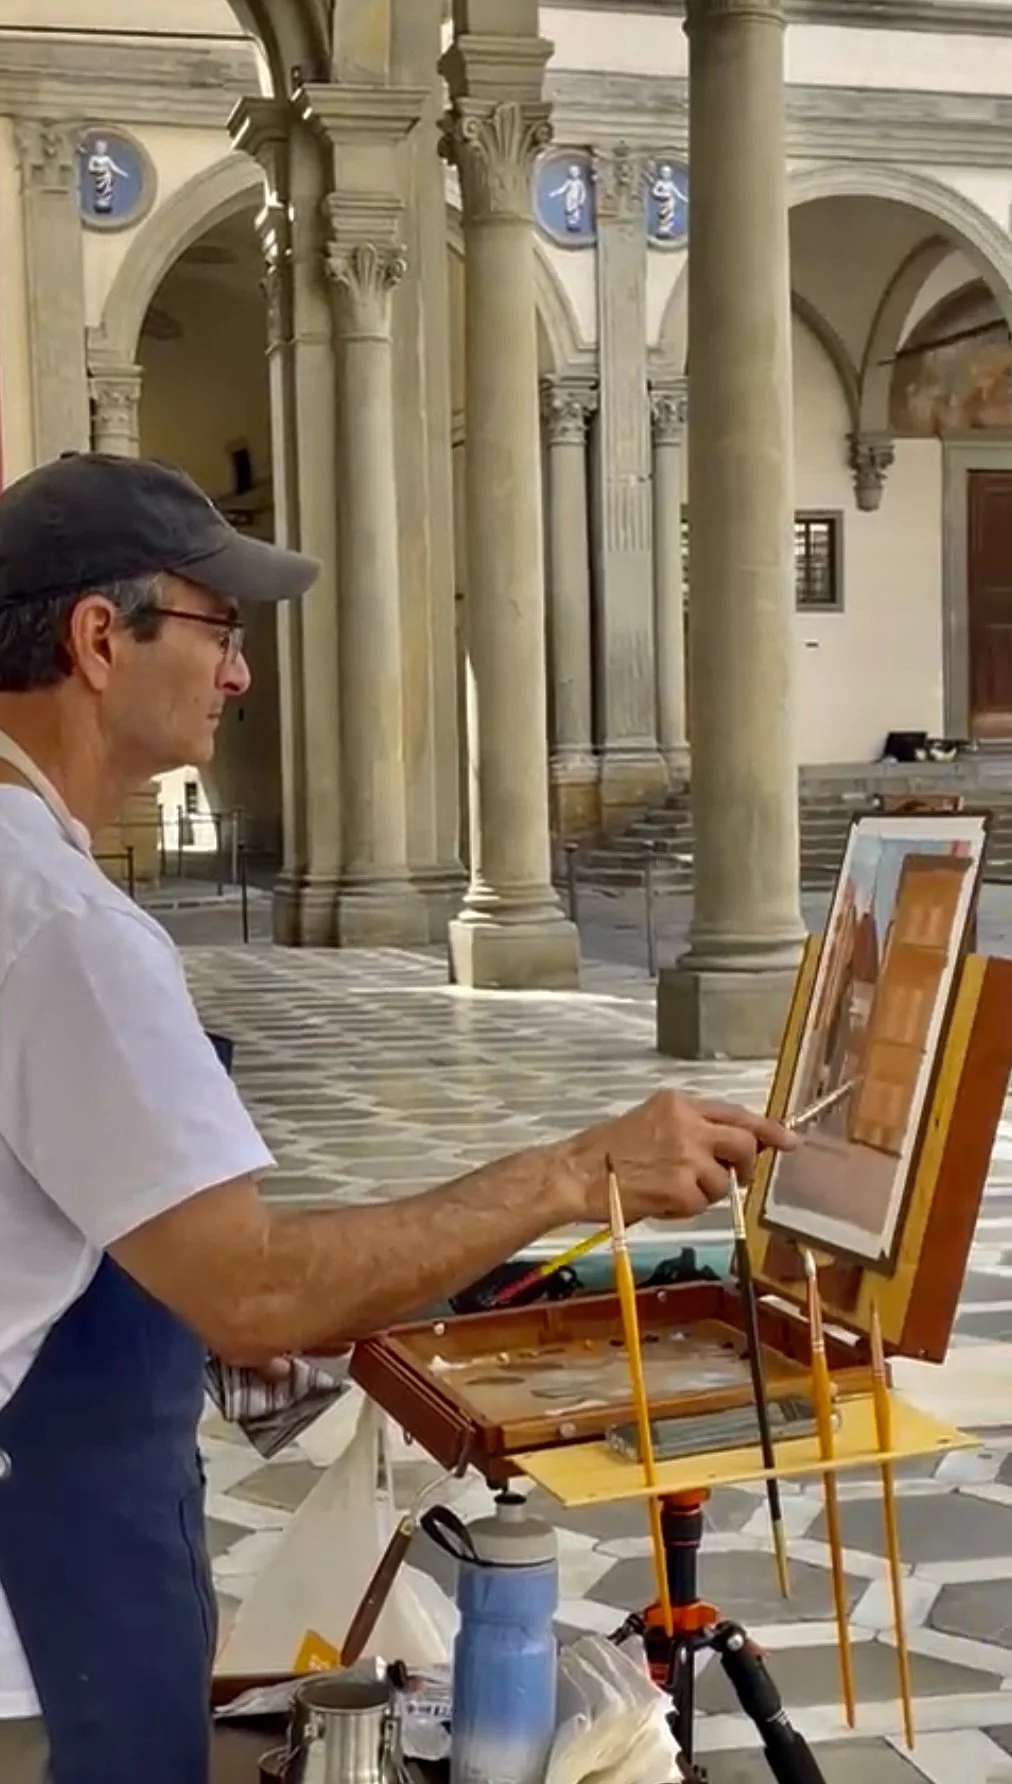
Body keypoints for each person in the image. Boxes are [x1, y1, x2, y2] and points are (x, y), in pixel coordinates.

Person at [0, 453, 797, 1784]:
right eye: (220, 629)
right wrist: (577, 1169)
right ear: (97, 638)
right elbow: (251, 1292)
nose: (239, 673)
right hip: (39, 1605)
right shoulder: (65, 927)